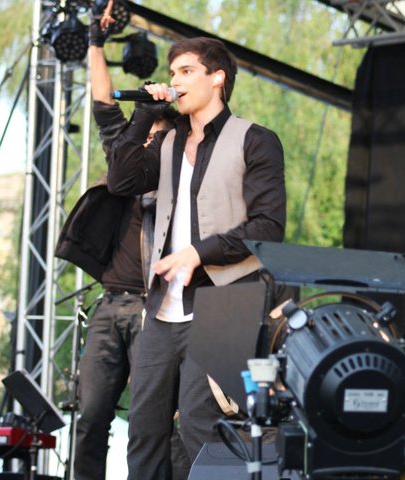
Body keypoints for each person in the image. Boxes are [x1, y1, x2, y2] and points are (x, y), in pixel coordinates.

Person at [106, 37, 286, 479]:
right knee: (144, 430)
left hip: (225, 303)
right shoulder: (168, 143)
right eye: (172, 73)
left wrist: (198, 253)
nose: (175, 80)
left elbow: (268, 227)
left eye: (186, 71)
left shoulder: (255, 140)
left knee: (200, 426)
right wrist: (144, 113)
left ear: (217, 78)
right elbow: (120, 180)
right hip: (163, 308)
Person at [54, 16, 185, 480]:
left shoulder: (181, 168)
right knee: (90, 416)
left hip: (157, 307)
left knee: (153, 422)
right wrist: (95, 41)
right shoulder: (124, 155)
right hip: (111, 306)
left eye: (155, 135)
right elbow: (103, 101)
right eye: (143, 133)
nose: (146, 140)